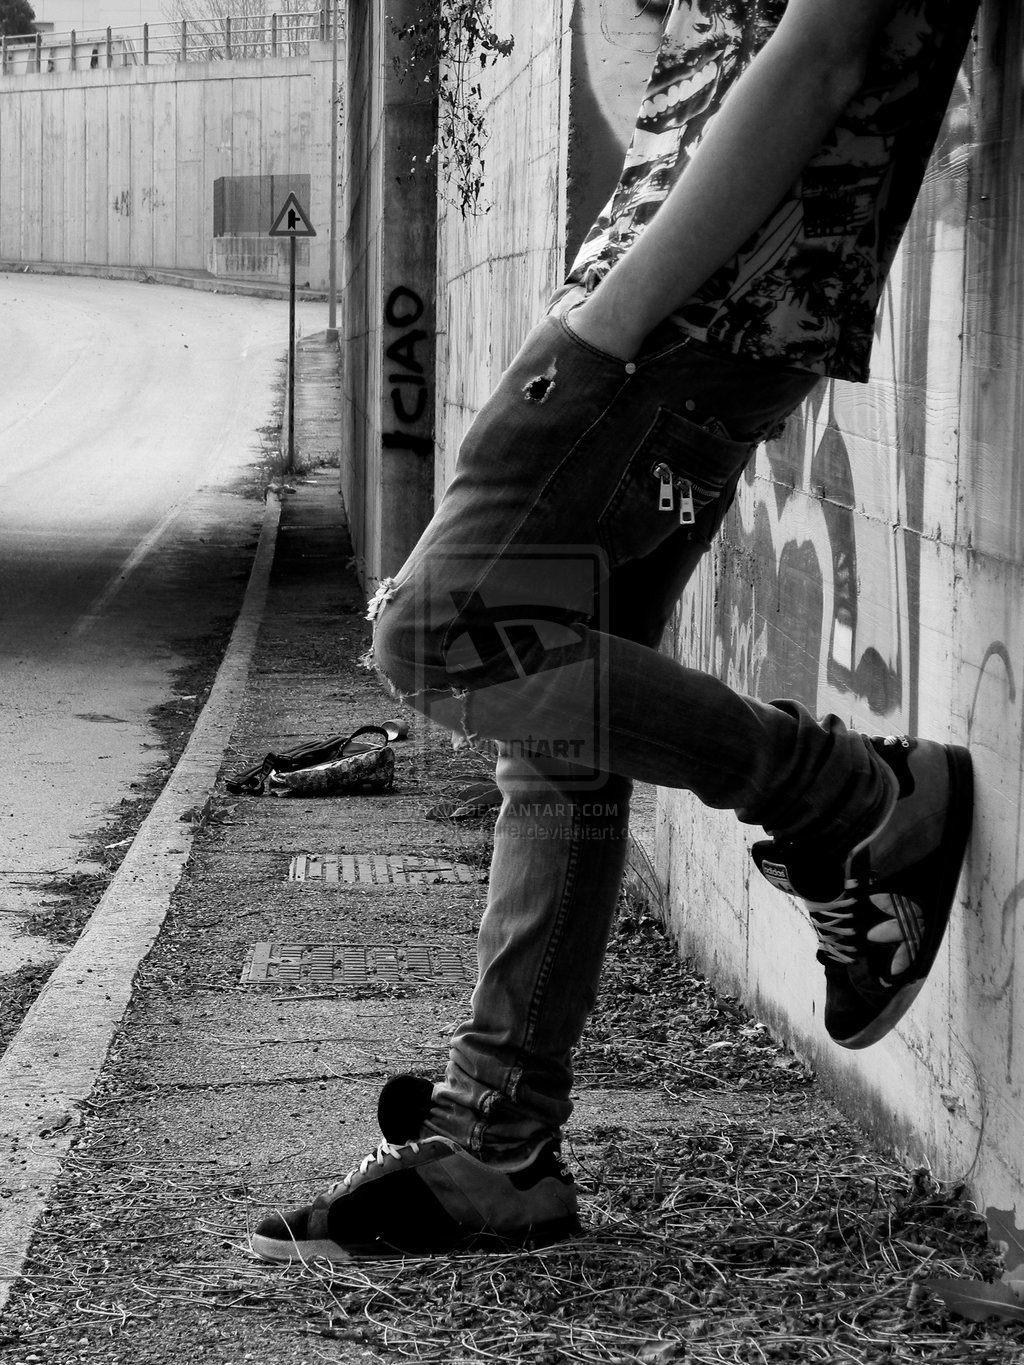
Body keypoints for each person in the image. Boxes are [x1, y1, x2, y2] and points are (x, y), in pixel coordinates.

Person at [252, 0, 979, 1263]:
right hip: (701, 319)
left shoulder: (647, 321)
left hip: (672, 325)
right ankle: (496, 1146)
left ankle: (851, 796)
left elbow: (827, 49)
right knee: (560, 742)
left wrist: (608, 323)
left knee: (433, 636)